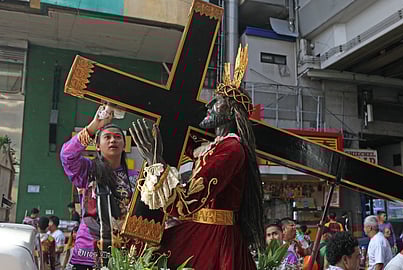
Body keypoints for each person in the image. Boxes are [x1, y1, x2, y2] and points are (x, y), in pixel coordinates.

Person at [130, 45, 264, 269]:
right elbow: (191, 146)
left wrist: (156, 163)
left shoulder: (231, 149)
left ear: (231, 112)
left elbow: (186, 205)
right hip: (202, 230)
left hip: (215, 239)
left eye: (217, 101)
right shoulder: (215, 147)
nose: (209, 105)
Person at [60, 104, 138, 269]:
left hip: (121, 255)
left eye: (117, 137)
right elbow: (67, 155)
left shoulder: (136, 177)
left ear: (124, 145)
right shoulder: (87, 170)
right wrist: (94, 126)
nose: (112, 140)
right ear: (97, 145)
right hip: (87, 253)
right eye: (107, 137)